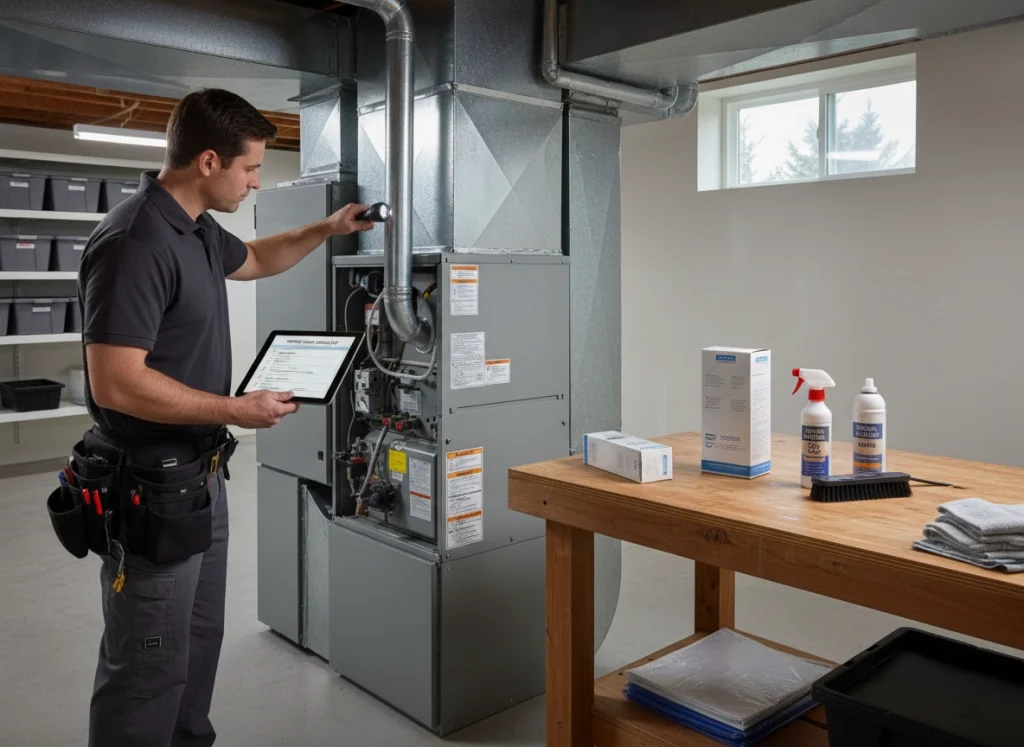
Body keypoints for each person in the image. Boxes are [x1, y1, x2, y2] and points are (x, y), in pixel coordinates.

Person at [78, 88, 373, 746]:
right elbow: (117, 382)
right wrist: (236, 408)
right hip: (152, 487)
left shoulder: (196, 228)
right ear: (208, 161)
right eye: (251, 169)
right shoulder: (135, 241)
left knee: (197, 644)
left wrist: (328, 228)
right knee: (148, 664)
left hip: (200, 479)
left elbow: (260, 258)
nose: (256, 181)